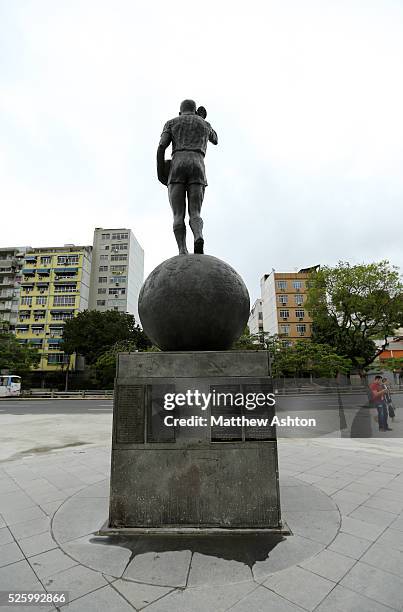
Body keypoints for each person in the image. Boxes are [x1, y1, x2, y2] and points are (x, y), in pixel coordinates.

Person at [157, 99, 218, 255]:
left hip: (177, 164)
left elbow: (161, 146)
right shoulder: (205, 124)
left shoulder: (171, 123)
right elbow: (215, 140)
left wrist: (160, 171)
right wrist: (201, 120)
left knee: (178, 214)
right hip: (198, 164)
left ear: (180, 112)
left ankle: (182, 250)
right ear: (195, 110)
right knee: (195, 212)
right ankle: (198, 235)